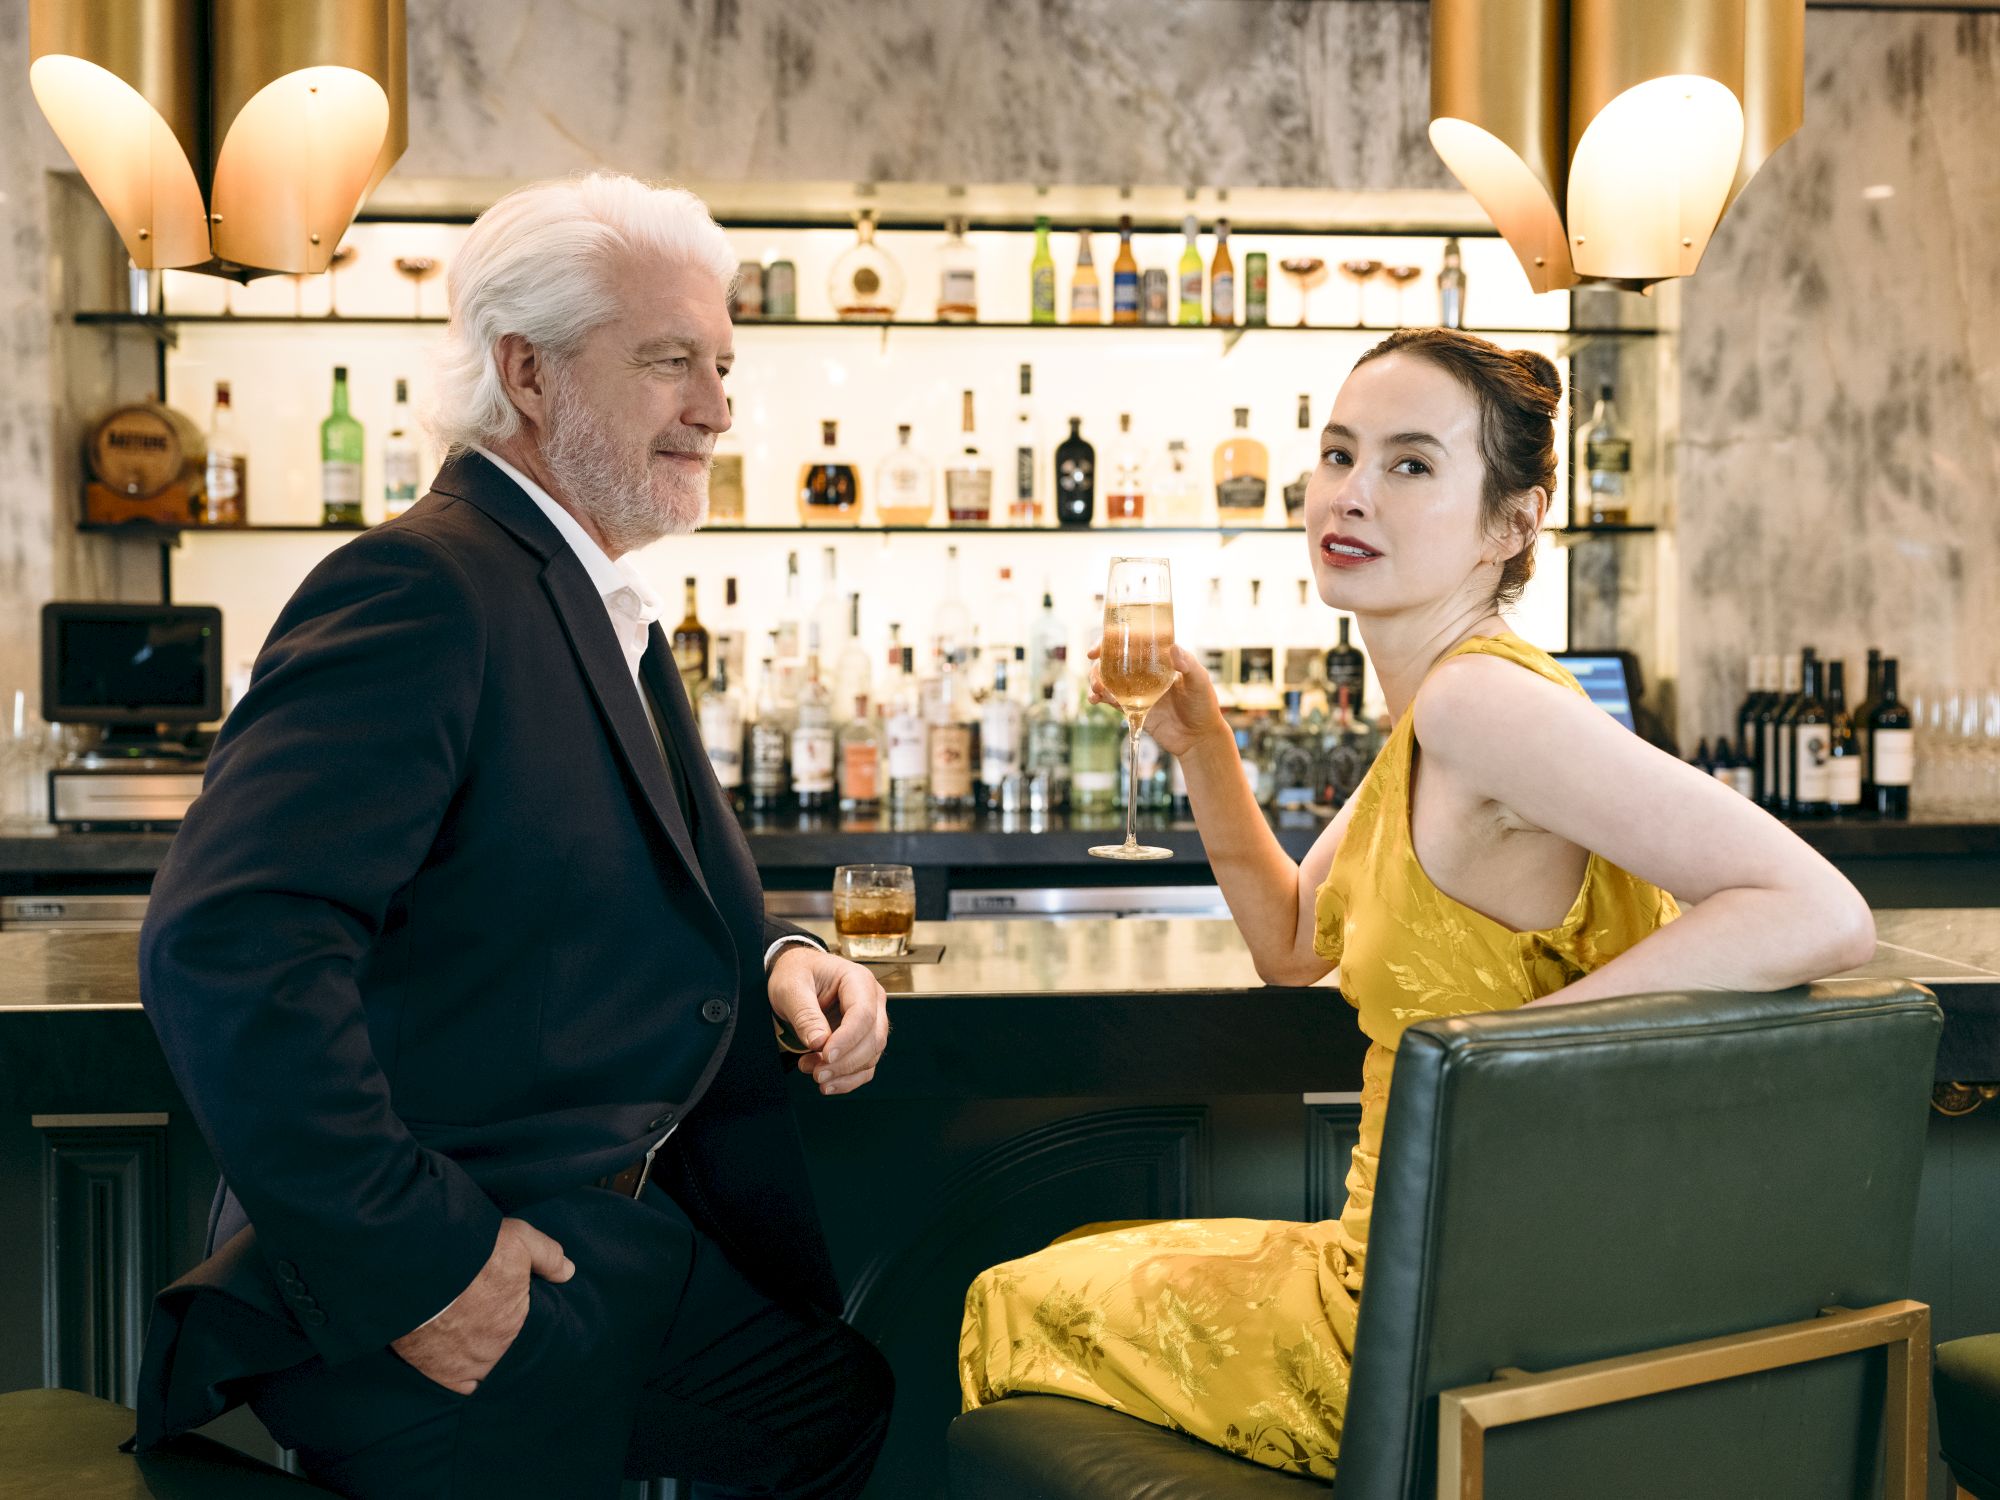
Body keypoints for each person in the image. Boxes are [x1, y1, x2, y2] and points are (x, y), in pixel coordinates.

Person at [958, 327, 1876, 1479]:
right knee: (1088, 1249)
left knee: (1011, 1297)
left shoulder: (1479, 708)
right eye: (1337, 455)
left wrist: (1492, 1056)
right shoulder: (1439, 710)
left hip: (1441, 1313)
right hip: (1443, 1269)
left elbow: (1814, 906)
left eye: (1408, 464)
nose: (1350, 495)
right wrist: (1203, 750)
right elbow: (1292, 945)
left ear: (1511, 523)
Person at [133, 173, 893, 1499]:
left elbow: (582, 871)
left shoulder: (584, 590)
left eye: (721, 364)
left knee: (838, 1404)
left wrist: (773, 958)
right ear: (527, 374)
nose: (715, 407)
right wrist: (423, 1273)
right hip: (455, 1275)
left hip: (595, 1242)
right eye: (669, 364)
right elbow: (227, 946)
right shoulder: (423, 584)